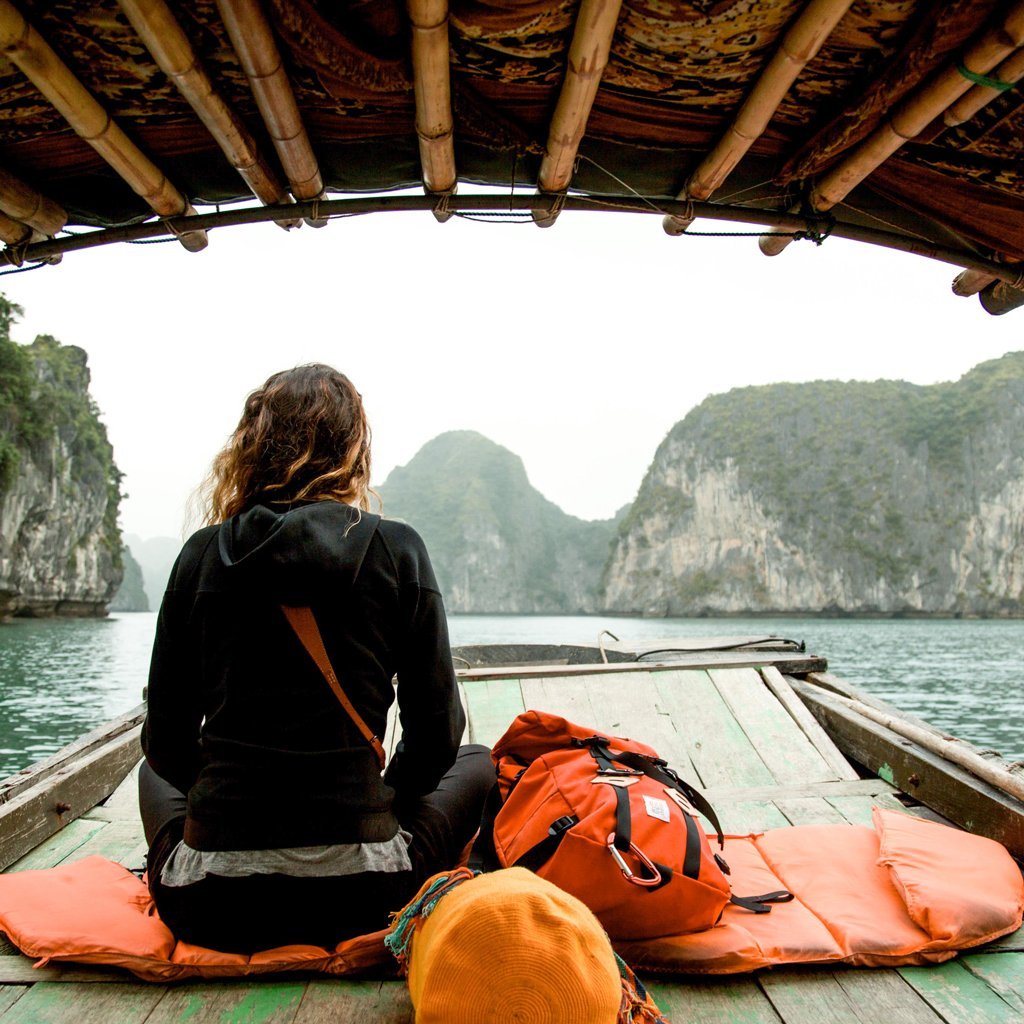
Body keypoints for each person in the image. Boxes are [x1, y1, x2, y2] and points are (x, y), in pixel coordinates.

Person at [138, 363, 494, 953]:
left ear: (250, 448)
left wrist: (235, 809)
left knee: (151, 771)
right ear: (354, 450)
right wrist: (383, 803)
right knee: (477, 760)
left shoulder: (200, 557)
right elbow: (438, 737)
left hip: (208, 906)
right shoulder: (397, 549)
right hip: (366, 895)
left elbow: (167, 742)